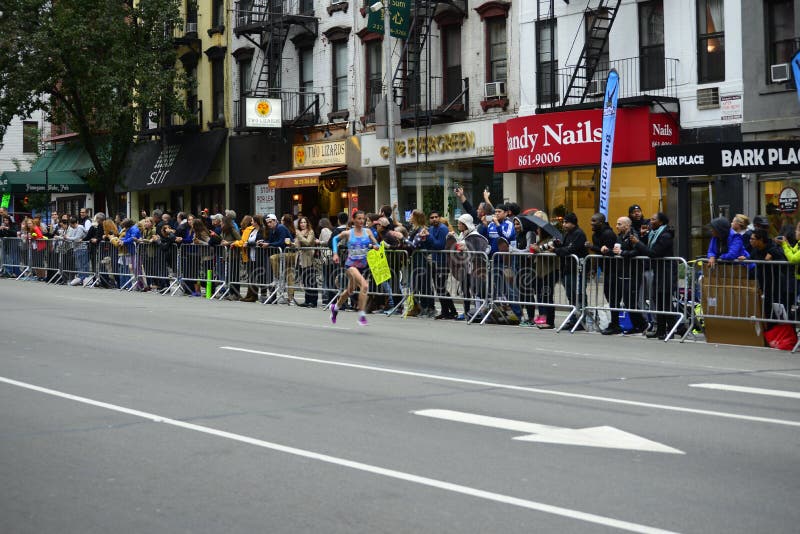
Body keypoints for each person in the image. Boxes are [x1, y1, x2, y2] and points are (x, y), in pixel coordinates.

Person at [329, 210, 380, 326]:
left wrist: (375, 246)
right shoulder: (348, 233)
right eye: (359, 219)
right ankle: (361, 314)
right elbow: (334, 239)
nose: (361, 221)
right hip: (350, 265)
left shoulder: (368, 232)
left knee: (350, 290)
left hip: (363, 266)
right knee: (365, 285)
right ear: (354, 220)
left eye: (363, 219)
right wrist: (335, 253)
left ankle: (335, 307)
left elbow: (377, 244)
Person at [631, 212, 676, 340]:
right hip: (658, 271)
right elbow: (646, 246)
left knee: (666, 302)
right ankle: (660, 330)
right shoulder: (654, 234)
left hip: (666, 272)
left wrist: (638, 242)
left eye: (653, 219)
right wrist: (642, 236)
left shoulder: (665, 235)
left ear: (661, 222)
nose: (650, 221)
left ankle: (672, 330)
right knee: (658, 300)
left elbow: (653, 252)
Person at [553, 212, 588, 330]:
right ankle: (573, 317)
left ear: (573, 223)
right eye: (563, 222)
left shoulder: (579, 234)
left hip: (576, 269)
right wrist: (559, 246)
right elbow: (565, 247)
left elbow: (570, 249)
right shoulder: (567, 234)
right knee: (570, 295)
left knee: (578, 294)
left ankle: (581, 319)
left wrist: (557, 250)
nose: (564, 225)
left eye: (566, 222)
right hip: (567, 269)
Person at [528, 211, 559, 329]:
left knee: (548, 295)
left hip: (550, 272)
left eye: (539, 229)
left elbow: (551, 257)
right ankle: (545, 317)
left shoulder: (551, 241)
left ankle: (550, 322)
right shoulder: (540, 241)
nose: (537, 231)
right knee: (543, 295)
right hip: (540, 272)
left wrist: (538, 251)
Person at [294, 216, 319, 307]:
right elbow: (297, 245)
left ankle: (313, 301)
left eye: (304, 222)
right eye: (301, 223)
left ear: (307, 223)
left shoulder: (310, 232)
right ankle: (307, 300)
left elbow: (308, 242)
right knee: (305, 280)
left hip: (308, 258)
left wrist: (299, 235)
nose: (303, 224)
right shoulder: (298, 233)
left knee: (311, 281)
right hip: (300, 259)